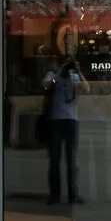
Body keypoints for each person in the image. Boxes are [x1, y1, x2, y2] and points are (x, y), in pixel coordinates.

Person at [41, 55, 85, 207]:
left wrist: (78, 71)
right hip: (55, 121)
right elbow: (46, 86)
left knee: (72, 160)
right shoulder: (52, 75)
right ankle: (54, 195)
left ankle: (73, 195)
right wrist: (59, 74)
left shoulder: (74, 76)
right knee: (54, 160)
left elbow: (86, 88)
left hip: (71, 121)